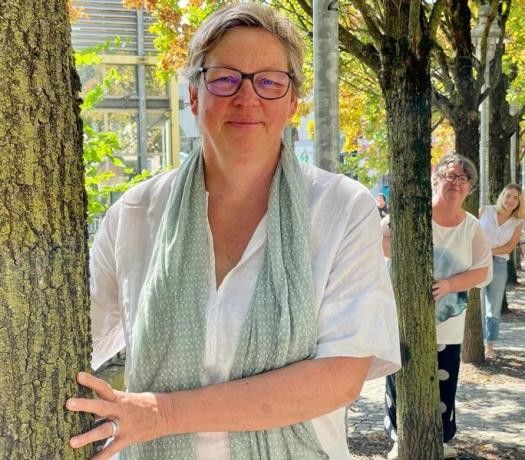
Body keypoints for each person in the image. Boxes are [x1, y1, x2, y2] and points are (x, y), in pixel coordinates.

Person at [66, 4, 400, 459]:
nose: (247, 97)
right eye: (224, 79)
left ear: (292, 102)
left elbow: (340, 378)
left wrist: (164, 414)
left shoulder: (342, 208)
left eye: (270, 82)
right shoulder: (135, 215)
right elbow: (73, 339)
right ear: (194, 96)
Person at [383, 154, 492, 460]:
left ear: (469, 188)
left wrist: (448, 285)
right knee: (398, 376)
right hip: (403, 316)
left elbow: (483, 272)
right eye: (449, 175)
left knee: (446, 380)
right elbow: (379, 242)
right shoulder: (413, 215)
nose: (456, 182)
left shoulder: (472, 227)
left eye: (463, 178)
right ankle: (399, 438)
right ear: (435, 180)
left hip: (449, 321)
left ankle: (441, 438)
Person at [479, 184, 524, 358]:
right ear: (502, 195)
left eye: (516, 198)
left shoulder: (517, 222)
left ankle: (489, 345)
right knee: (474, 303)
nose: (511, 200)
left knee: (494, 306)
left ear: (519, 202)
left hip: (498, 264)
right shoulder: (485, 211)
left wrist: (488, 251)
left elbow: (509, 247)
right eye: (508, 195)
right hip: (476, 262)